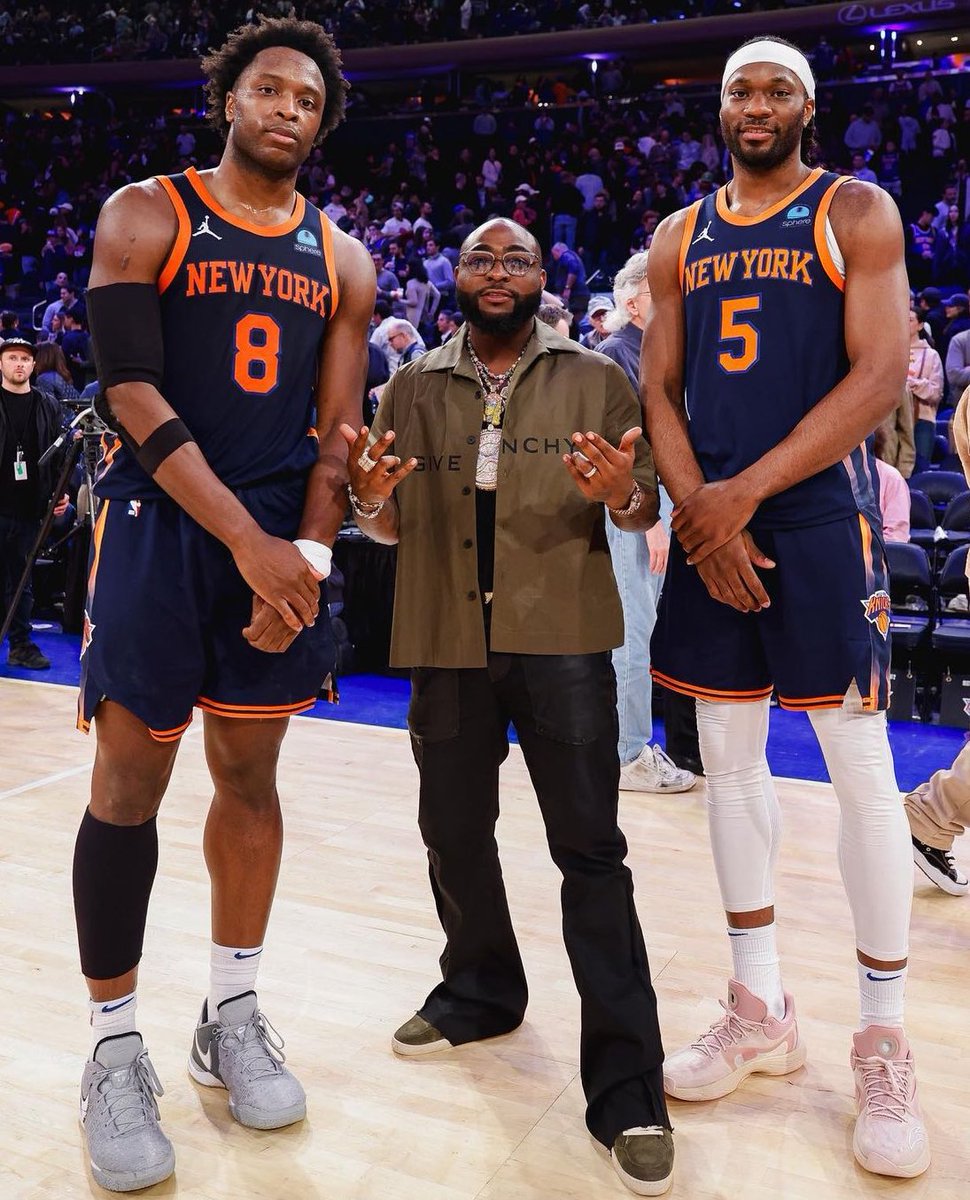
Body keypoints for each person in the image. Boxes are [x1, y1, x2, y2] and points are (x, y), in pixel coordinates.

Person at [72, 18, 374, 1192]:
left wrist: (299, 553)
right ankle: (109, 1047)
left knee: (250, 780)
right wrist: (249, 542)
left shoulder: (342, 258)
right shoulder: (146, 211)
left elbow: (338, 434)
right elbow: (128, 385)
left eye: (307, 97)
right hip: (163, 526)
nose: (287, 108)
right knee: (128, 786)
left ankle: (230, 1011)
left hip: (269, 542)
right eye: (268, 89)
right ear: (229, 99)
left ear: (321, 119)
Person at [340, 217, 676, 1197]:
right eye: (481, 258)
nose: (497, 273)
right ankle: (481, 988)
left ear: (544, 277)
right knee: (451, 827)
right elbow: (386, 518)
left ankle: (627, 1088)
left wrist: (621, 495)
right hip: (445, 627)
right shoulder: (412, 381)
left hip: (560, 631)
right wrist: (366, 504)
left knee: (589, 850)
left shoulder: (595, 377)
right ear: (456, 274)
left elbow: (643, 501)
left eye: (516, 259)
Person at [643, 37, 929, 1179]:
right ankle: (758, 1008)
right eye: (737, 91)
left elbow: (879, 371)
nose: (753, 105)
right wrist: (697, 510)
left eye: (774, 90)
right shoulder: (679, 235)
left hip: (812, 518)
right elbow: (655, 389)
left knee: (857, 768)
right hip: (711, 507)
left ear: (807, 107)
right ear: (720, 110)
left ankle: (881, 1032)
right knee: (726, 752)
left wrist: (741, 497)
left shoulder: (853, 209)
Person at [596, 251, 696, 794]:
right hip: (636, 511)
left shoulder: (653, 354)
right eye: (661, 292)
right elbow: (623, 448)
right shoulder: (616, 354)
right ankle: (628, 754)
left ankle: (632, 746)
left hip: (658, 508)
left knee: (649, 632)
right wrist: (648, 518)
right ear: (633, 302)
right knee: (632, 635)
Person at [0, 337, 69, 670]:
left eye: (25, 359)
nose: (19, 364)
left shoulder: (47, 404)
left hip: (28, 509)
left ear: (33, 365)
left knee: (22, 582)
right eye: (12, 357)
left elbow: (59, 457)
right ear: (1, 364)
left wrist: (61, 493)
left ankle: (21, 645)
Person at [906, 307, 943, 471]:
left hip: (922, 419)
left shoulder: (931, 355)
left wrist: (911, 383)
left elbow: (935, 392)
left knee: (920, 468)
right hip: (893, 421)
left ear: (920, 325)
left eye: (910, 320)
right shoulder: (891, 353)